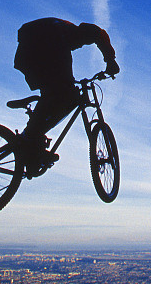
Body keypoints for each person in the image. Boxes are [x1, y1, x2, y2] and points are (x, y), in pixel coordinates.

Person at [13, 17, 119, 174]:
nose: (78, 46)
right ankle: (31, 141)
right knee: (66, 93)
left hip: (26, 55)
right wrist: (111, 61)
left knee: (53, 94)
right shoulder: (71, 33)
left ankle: (31, 145)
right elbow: (99, 33)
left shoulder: (62, 35)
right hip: (46, 43)